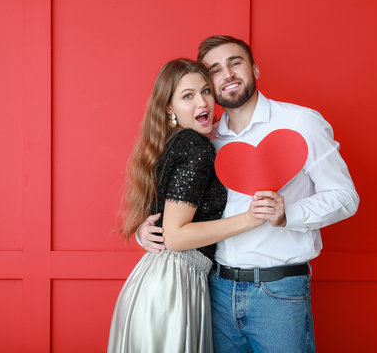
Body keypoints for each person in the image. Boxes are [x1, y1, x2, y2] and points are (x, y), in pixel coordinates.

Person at [138, 36, 360, 352]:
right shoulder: (206, 137)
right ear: (208, 84)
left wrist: (288, 214)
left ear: (254, 68)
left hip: (279, 291)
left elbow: (345, 196)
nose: (227, 74)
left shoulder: (301, 122)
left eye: (235, 62)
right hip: (214, 289)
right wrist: (144, 232)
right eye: (215, 70)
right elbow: (178, 212)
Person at [108, 58, 284, 353]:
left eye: (205, 91)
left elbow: (165, 221)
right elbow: (176, 237)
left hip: (159, 283)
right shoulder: (195, 145)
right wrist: (251, 218)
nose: (202, 102)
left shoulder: (176, 142)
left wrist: (143, 231)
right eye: (187, 96)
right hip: (172, 290)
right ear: (169, 108)